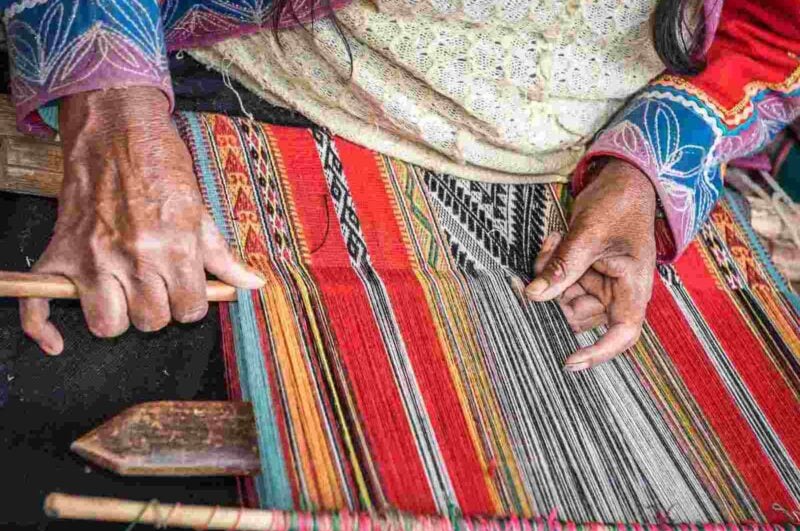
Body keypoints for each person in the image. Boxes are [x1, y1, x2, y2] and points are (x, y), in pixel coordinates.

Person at [1, 0, 798, 370]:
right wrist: (113, 112)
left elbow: (774, 30)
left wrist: (645, 173)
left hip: (570, 196)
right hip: (228, 95)